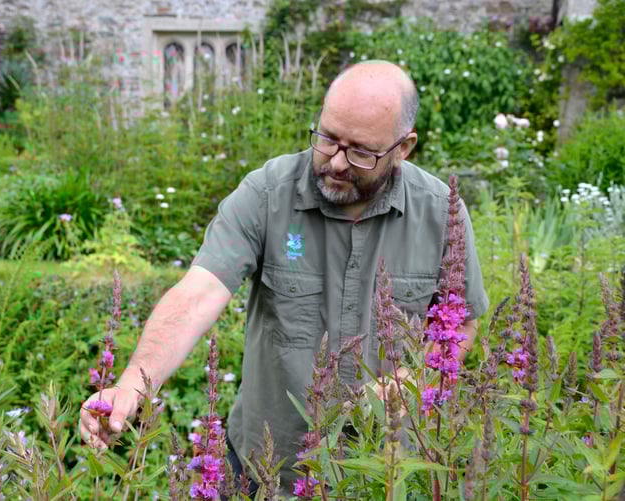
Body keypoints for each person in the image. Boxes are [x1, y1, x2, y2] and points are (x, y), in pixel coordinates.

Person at [79, 60, 489, 495]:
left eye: (361, 152)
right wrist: (132, 383)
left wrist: (418, 379)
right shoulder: (267, 194)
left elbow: (459, 319)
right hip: (268, 474)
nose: (335, 161)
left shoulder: (440, 212)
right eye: (328, 138)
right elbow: (196, 296)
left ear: (403, 148)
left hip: (385, 476)